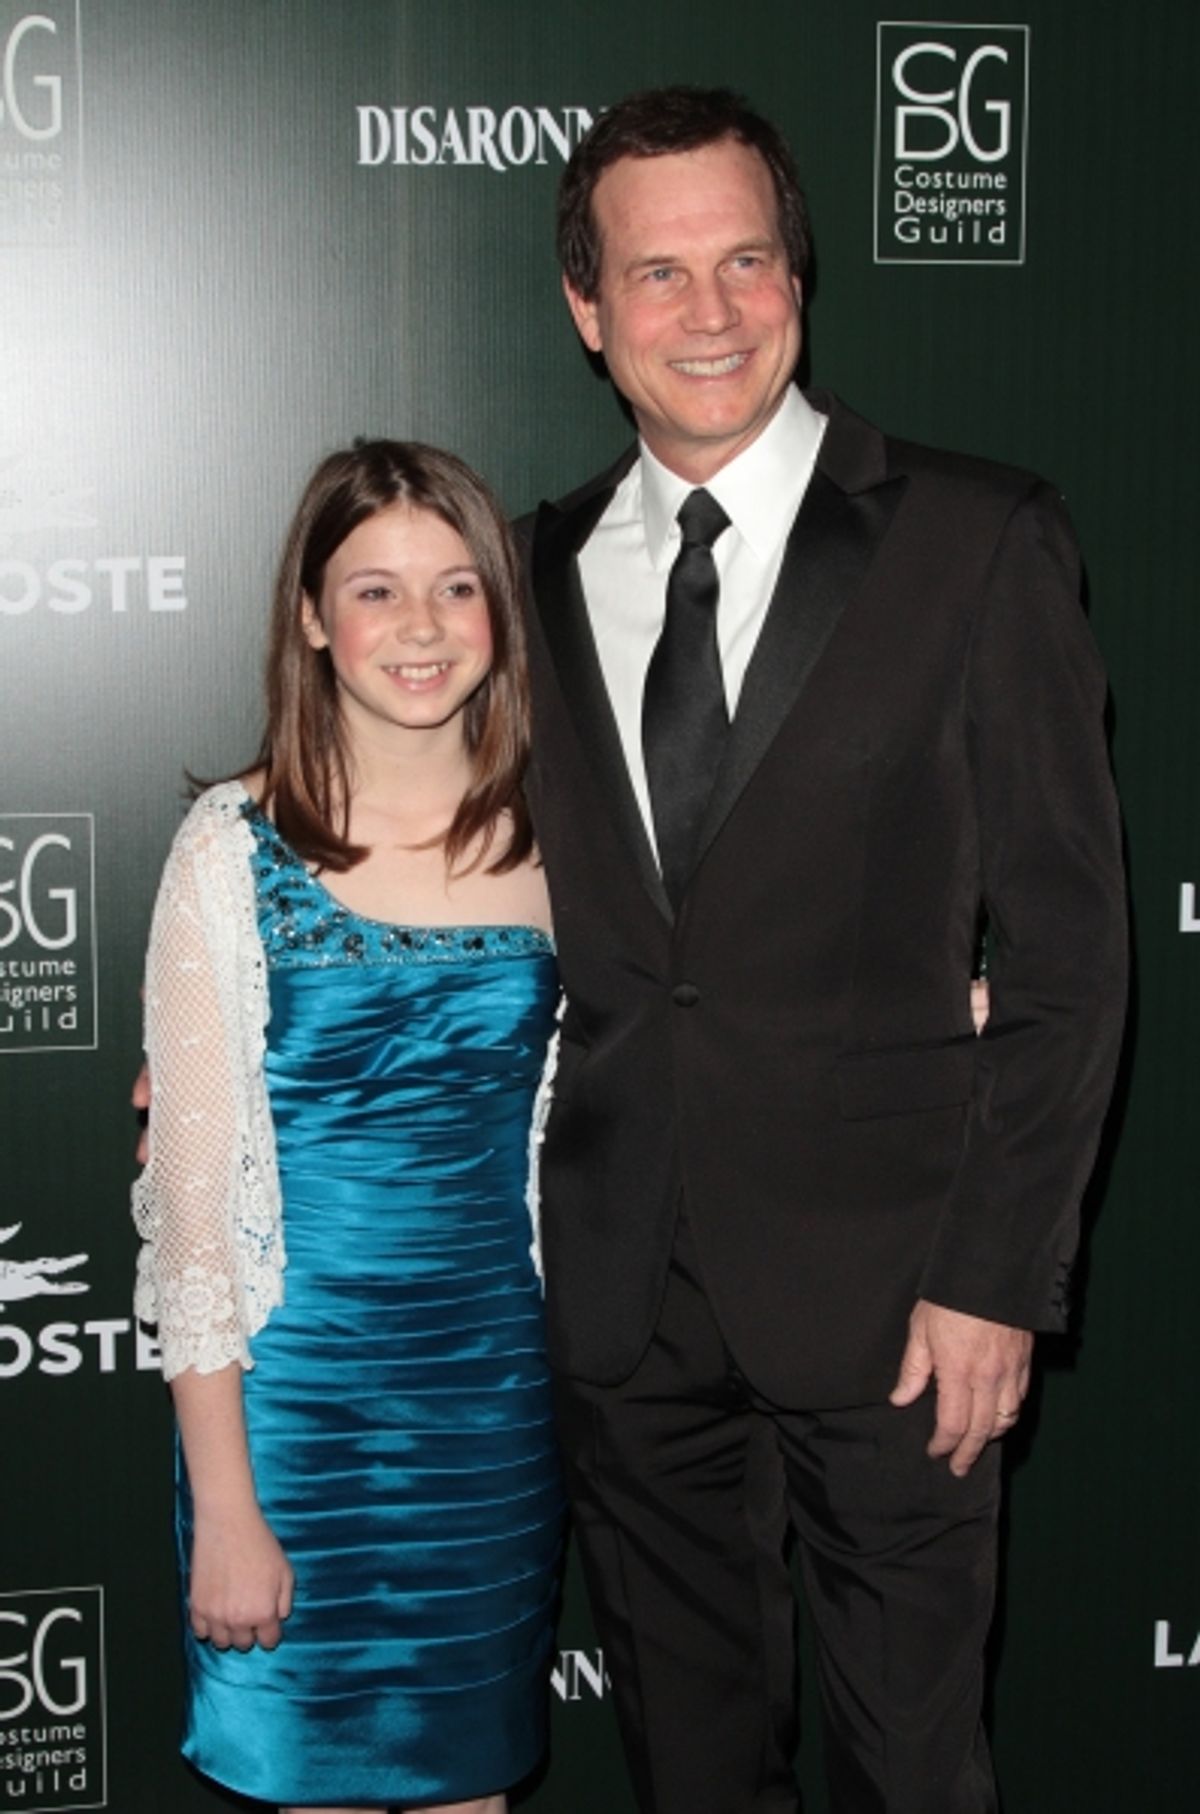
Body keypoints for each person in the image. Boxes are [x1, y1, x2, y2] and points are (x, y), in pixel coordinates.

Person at [519, 86, 1127, 1813]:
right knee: (689, 1767)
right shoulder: (531, 566)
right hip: (629, 1296)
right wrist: (241, 1003)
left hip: (902, 1298)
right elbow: (400, 813)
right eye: (658, 275)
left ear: (801, 274)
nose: (709, 314)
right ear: (589, 310)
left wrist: (1001, 1269)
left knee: (909, 1769)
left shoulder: (974, 535)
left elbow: (1076, 950)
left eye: (747, 261)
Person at [131, 440, 563, 1814]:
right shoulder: (230, 843)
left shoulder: (572, 839)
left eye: (455, 587)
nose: (422, 627)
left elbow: (723, 1023)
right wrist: (230, 1509)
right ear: (312, 618)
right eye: (375, 591)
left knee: (464, 1792)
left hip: (495, 1412)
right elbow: (192, 1213)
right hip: (292, 1412)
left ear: (500, 608)